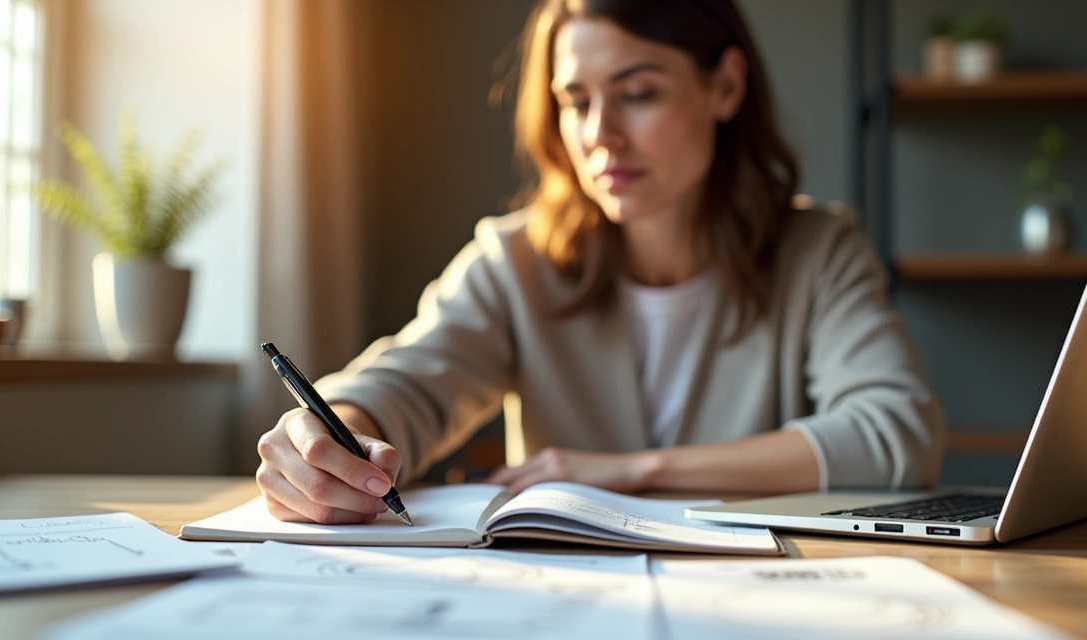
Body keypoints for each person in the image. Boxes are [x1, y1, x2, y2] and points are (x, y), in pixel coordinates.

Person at [255, 0, 946, 525]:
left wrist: (629, 472)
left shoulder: (819, 251)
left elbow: (895, 434)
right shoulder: (515, 259)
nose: (599, 136)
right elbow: (403, 388)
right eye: (574, 102)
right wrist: (326, 436)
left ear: (726, 86)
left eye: (638, 93)